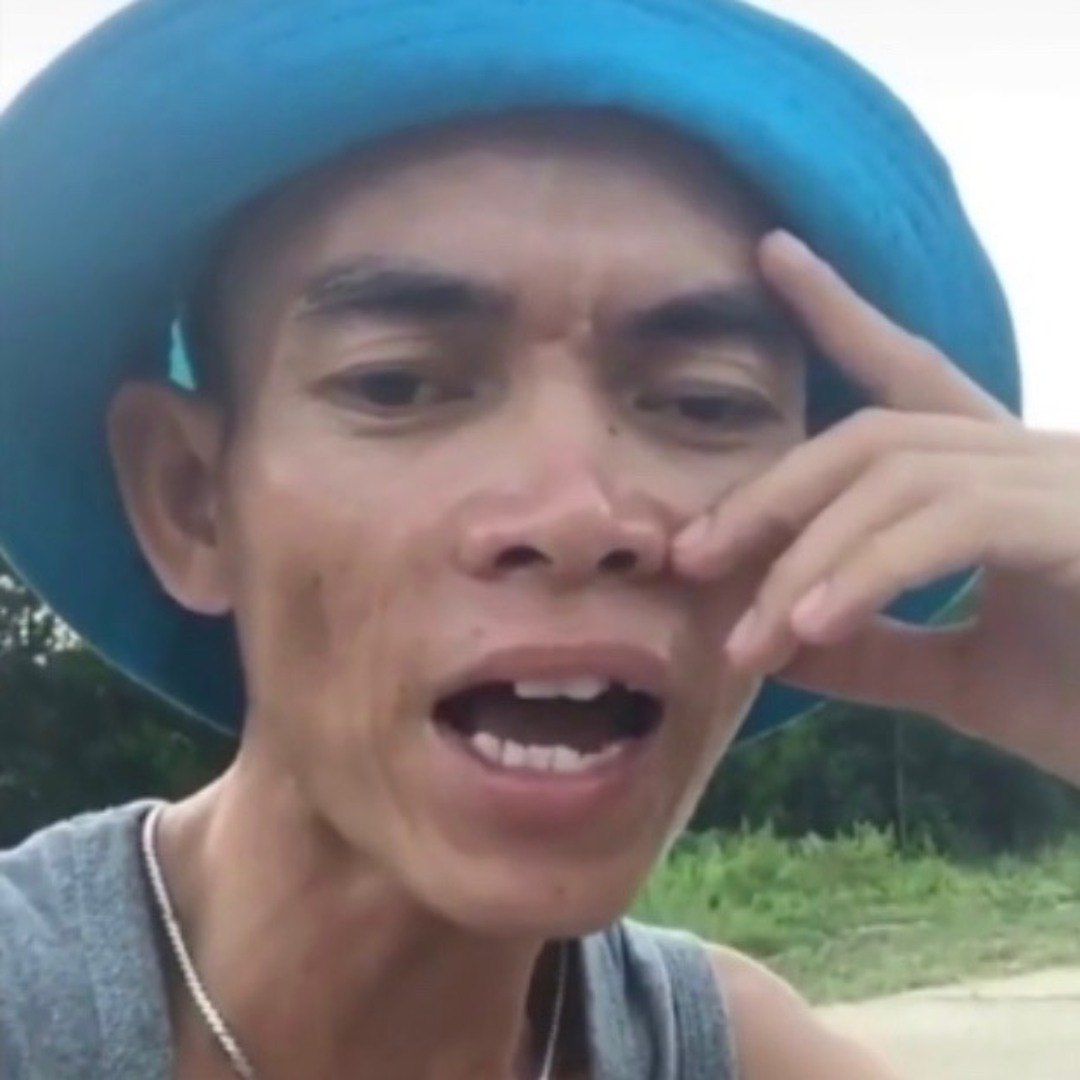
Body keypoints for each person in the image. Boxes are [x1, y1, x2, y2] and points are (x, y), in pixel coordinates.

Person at [0, 2, 1077, 1078]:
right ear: (192, 498)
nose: (579, 516)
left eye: (704, 401)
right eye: (397, 384)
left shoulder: (730, 1055)